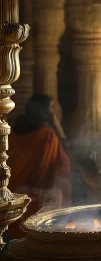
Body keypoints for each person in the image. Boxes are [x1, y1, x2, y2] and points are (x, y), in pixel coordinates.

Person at [7, 94, 72, 238]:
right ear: (42, 111)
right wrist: (57, 126)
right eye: (51, 108)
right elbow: (64, 160)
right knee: (54, 195)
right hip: (35, 195)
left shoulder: (11, 132)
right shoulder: (47, 135)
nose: (53, 112)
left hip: (10, 193)